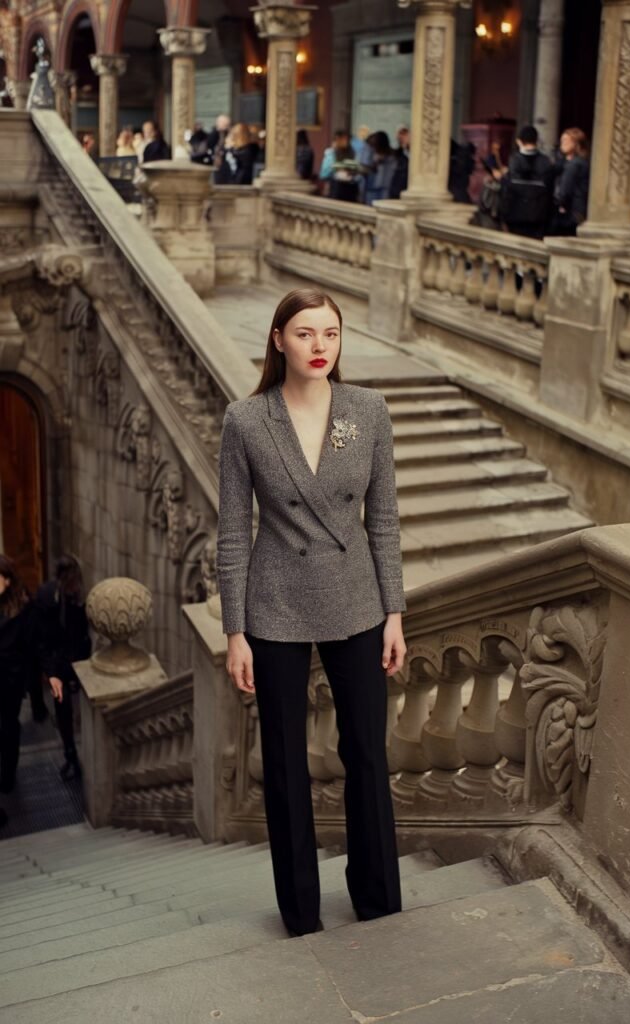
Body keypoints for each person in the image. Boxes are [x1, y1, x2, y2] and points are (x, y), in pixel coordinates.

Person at [216, 288, 406, 938]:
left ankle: (378, 897)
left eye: (330, 333)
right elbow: (234, 532)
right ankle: (300, 912)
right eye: (304, 333)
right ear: (278, 340)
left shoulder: (368, 410)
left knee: (367, 753)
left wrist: (394, 612)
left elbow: (383, 519)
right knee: (286, 764)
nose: (319, 346)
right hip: (275, 606)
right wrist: (235, 630)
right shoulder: (246, 420)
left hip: (357, 600)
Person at [35, 555, 91, 780]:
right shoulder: (46, 596)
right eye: (71, 582)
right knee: (62, 707)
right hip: (57, 663)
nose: (74, 586)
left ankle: (76, 753)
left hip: (77, 659)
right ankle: (70, 754)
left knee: (77, 708)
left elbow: (82, 632)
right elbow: (41, 639)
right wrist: (51, 673)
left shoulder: (78, 597)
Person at [0, 556, 32, 801]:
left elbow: (29, 645)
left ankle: (8, 774)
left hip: (10, 680)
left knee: (9, 727)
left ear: (7, 581)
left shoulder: (21, 607)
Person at [501, 125, 553, 239]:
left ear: (519, 141)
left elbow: (507, 190)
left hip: (516, 215)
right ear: (536, 140)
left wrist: (504, 215)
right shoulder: (545, 161)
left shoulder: (514, 160)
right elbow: (550, 190)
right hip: (538, 216)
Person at [549, 127, 590, 236]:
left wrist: (559, 204)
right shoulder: (568, 163)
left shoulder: (575, 164)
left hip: (571, 213)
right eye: (562, 140)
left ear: (576, 144)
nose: (563, 143)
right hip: (575, 211)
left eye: (567, 140)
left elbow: (565, 191)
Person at [364, 131, 396, 204]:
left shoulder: (392, 158)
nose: (374, 147)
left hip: (385, 190)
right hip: (372, 190)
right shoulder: (371, 156)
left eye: (375, 145)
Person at [389, 126, 410, 200]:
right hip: (397, 193)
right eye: (399, 135)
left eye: (404, 134)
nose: (401, 137)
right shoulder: (397, 154)